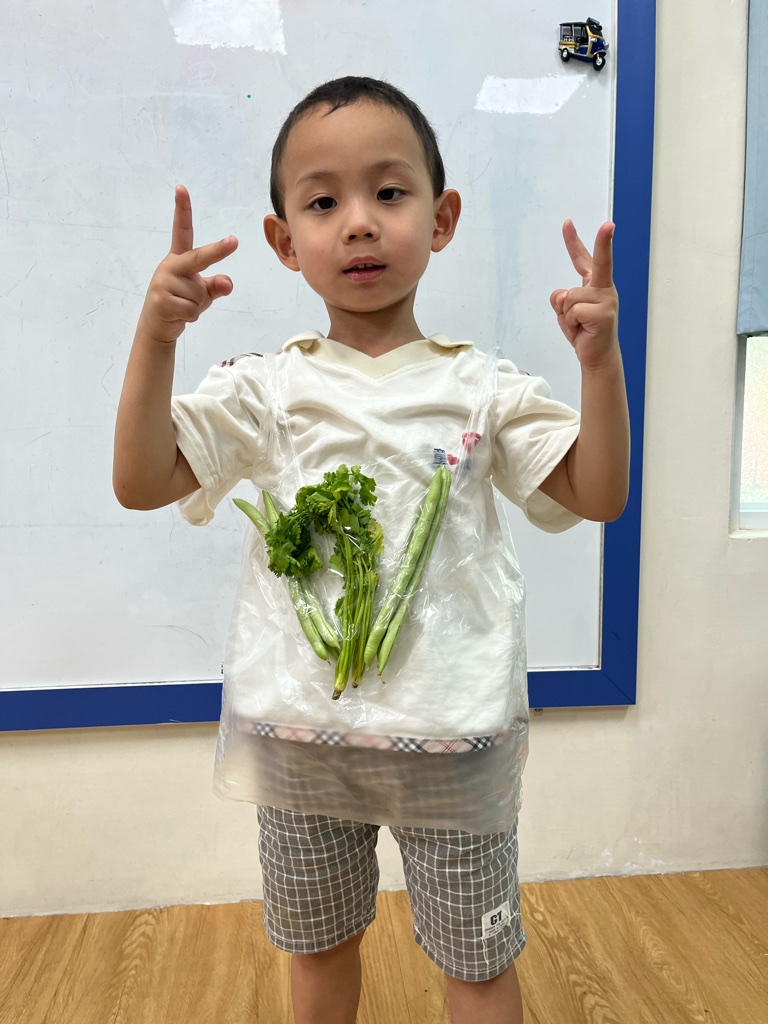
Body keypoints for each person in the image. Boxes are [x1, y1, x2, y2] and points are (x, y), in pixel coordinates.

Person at [113, 76, 629, 1024]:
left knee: (477, 964)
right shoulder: (266, 387)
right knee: (317, 951)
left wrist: (600, 365)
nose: (358, 222)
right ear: (284, 242)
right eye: (323, 203)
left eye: (389, 193)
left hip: (452, 734)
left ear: (442, 218)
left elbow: (598, 494)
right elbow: (143, 480)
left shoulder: (485, 385)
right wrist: (157, 336)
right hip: (300, 736)